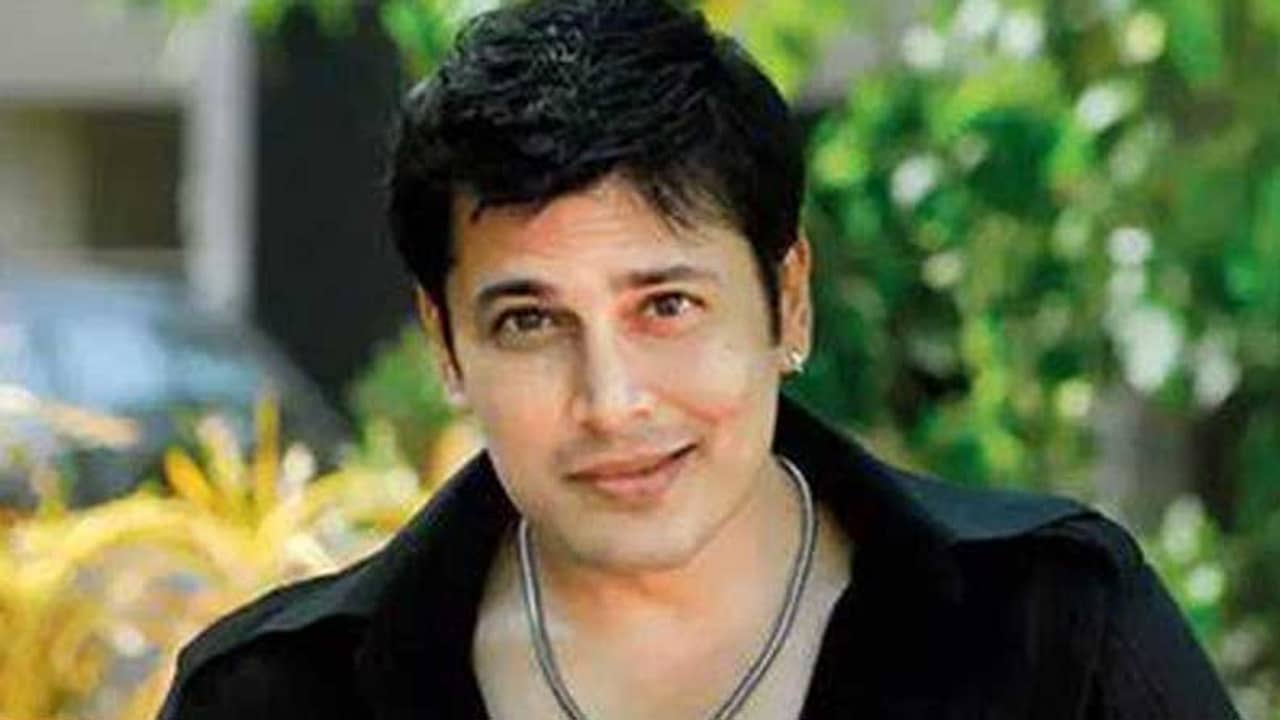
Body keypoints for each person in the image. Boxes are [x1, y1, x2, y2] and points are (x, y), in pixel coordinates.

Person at [158, 1, 1240, 718]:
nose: (612, 400)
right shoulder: (273, 699)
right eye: (530, 322)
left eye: (666, 305)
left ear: (787, 300)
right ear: (446, 343)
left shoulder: (1056, 633)